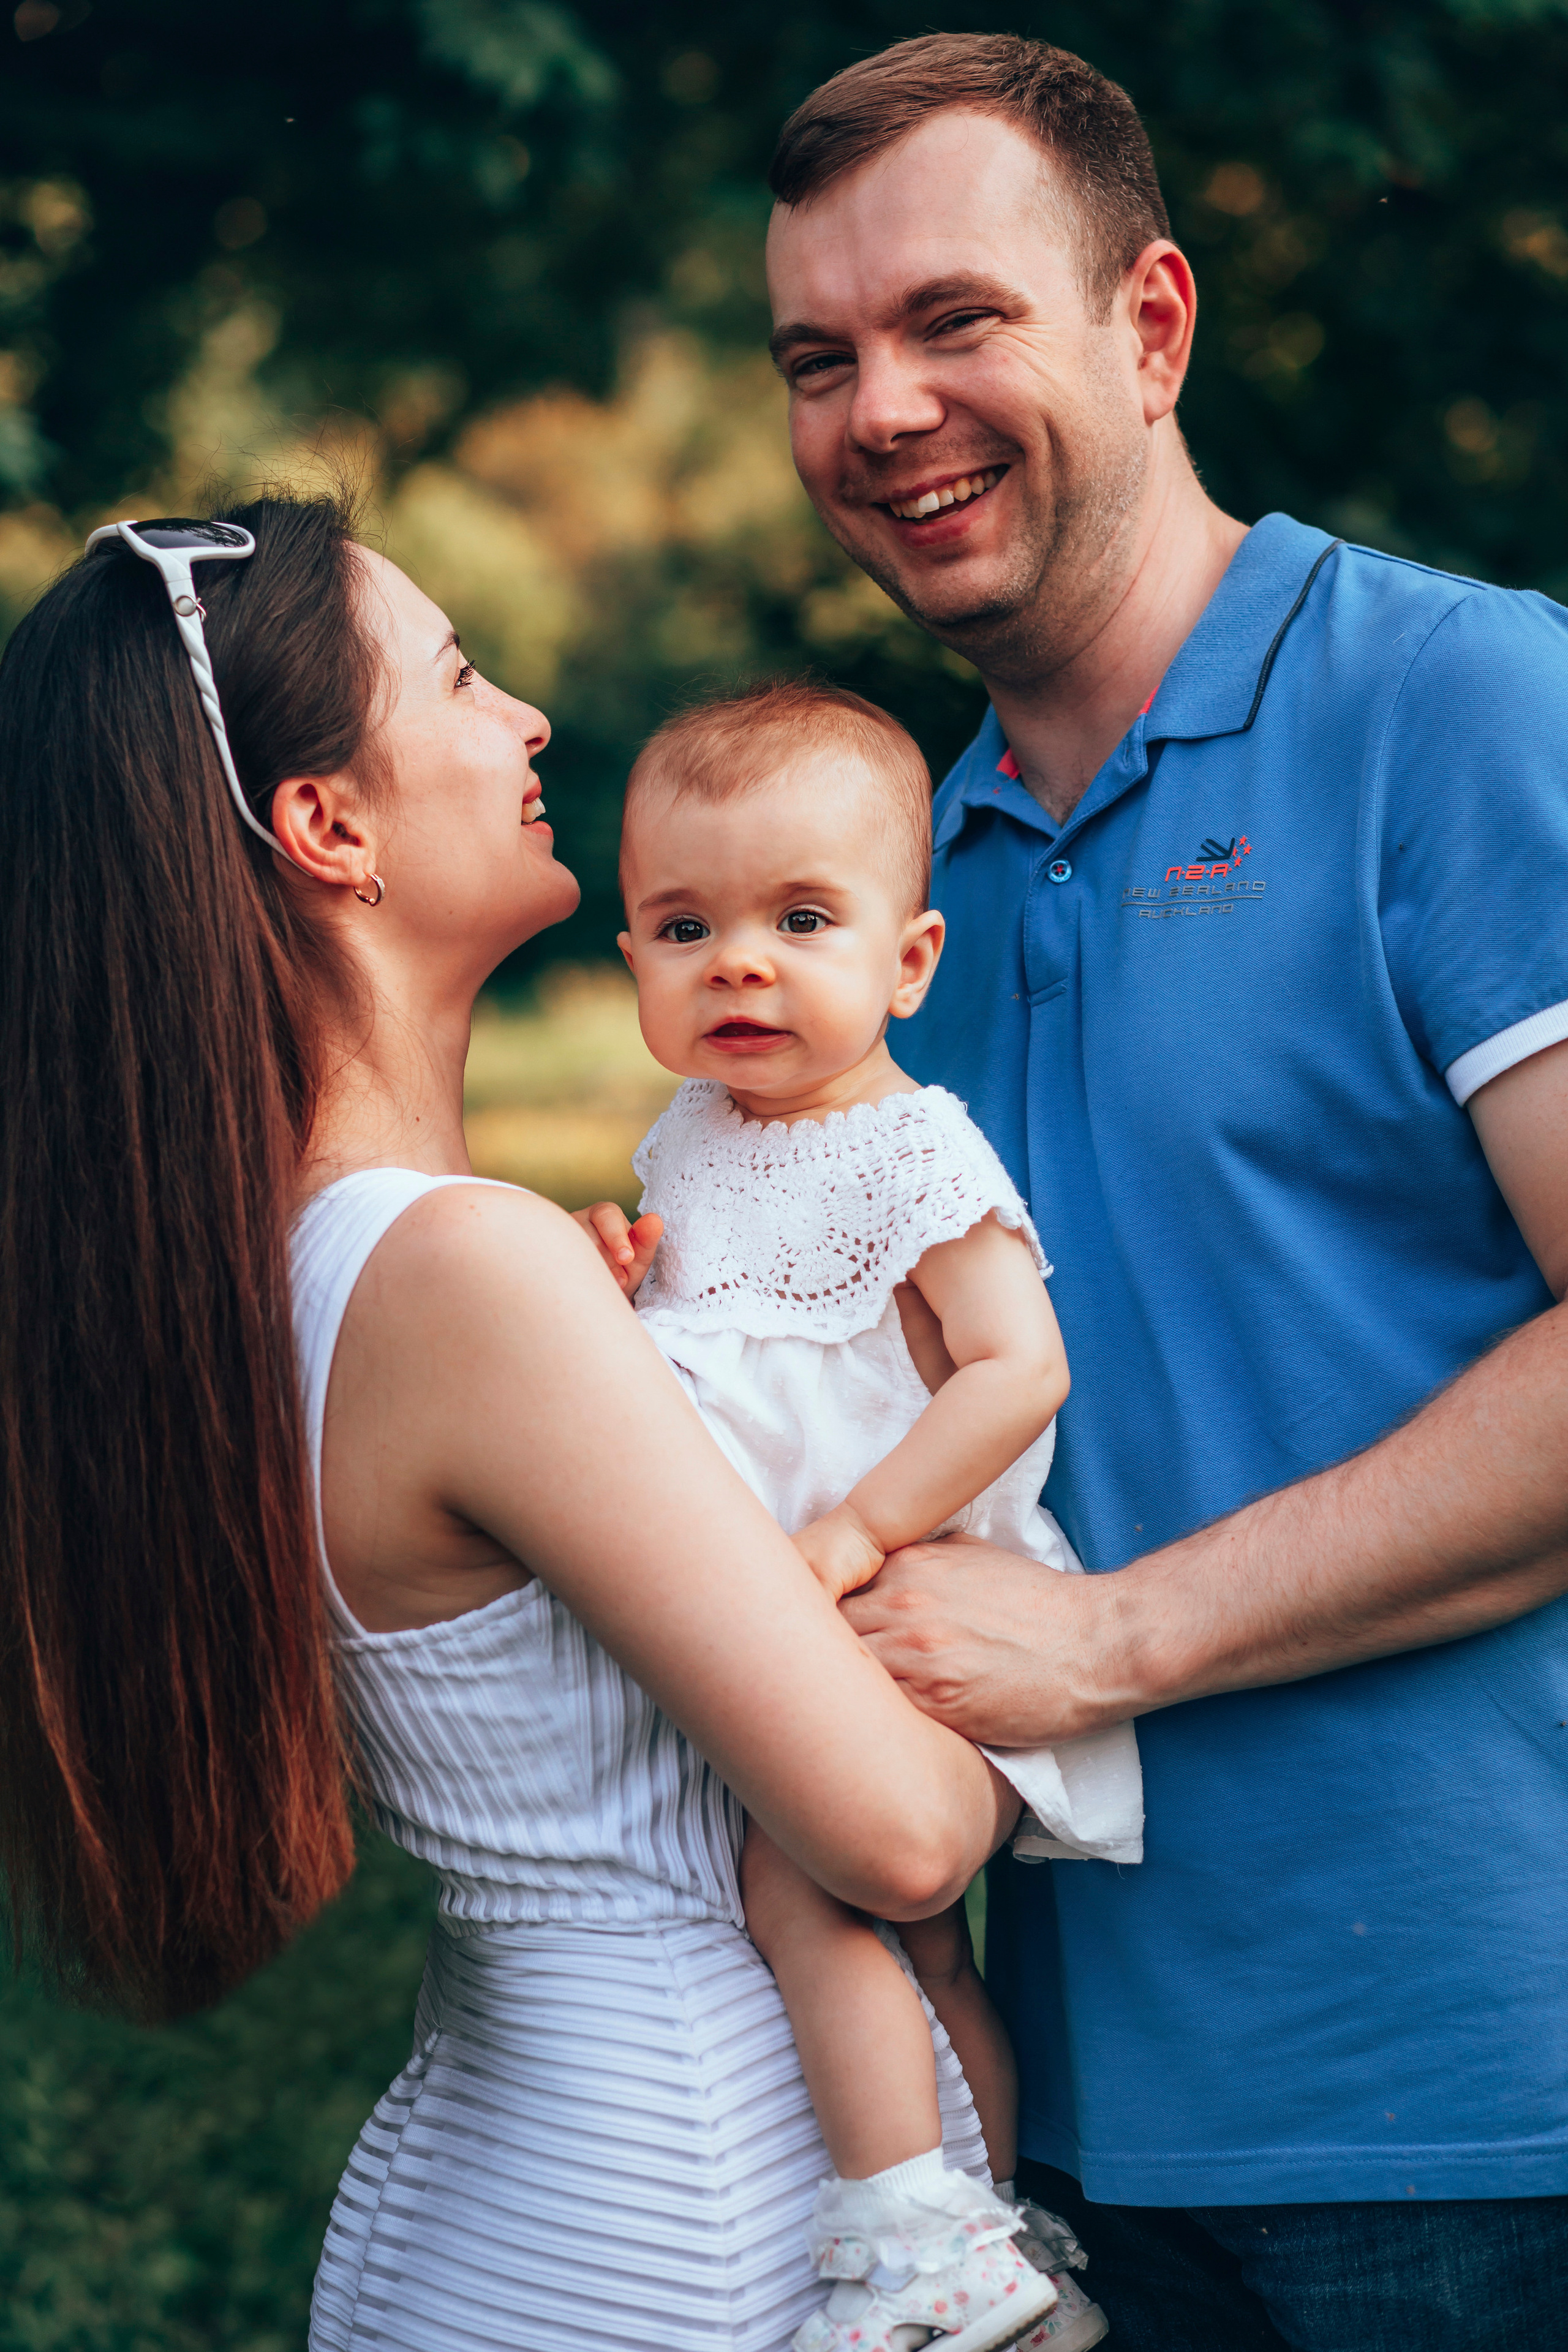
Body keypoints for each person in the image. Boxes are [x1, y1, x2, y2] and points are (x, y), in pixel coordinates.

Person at [0, 492, 1025, 2352]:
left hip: (517, 2200)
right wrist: (1061, 1696)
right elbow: (891, 1840)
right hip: (687, 2237)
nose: (532, 720)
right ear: (328, 828)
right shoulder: (467, 1277)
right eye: (462, 676)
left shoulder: (284, 1256)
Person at [761, 31, 1568, 2352]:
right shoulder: (908, 880)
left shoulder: (1457, 706)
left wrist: (1118, 1640)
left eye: (954, 320)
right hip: (1073, 2125)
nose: (882, 411)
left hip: (1477, 2114)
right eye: (820, 359)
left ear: (1152, 322)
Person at [581, 677, 1139, 2351]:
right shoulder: (687, 1138)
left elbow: (1015, 1373)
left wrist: (857, 1538)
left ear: (907, 963)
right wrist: (620, 1301)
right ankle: (993, 2236)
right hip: (776, 1619)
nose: (738, 961)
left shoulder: (914, 1151)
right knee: (919, 1956)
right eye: (686, 926)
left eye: (800, 919)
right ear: (632, 965)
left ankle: (919, 2242)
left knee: (806, 1889)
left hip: (908, 1605)